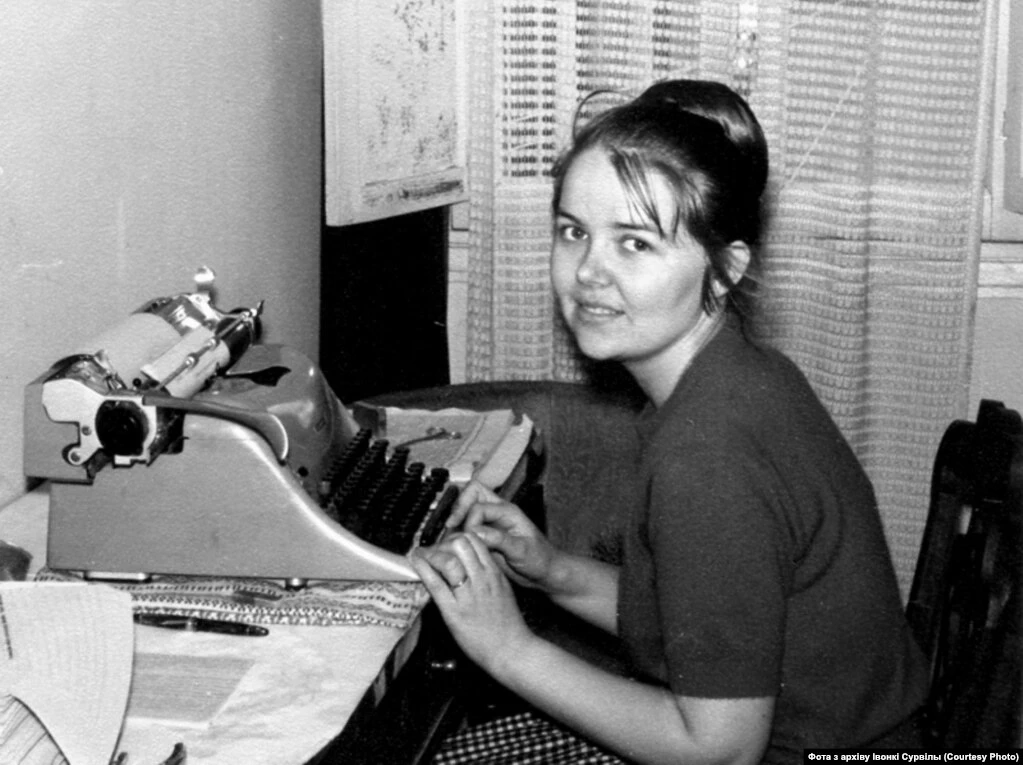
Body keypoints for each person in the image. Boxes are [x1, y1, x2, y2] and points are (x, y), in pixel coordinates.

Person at [410, 79, 929, 765]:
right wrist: (554, 572)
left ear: (725, 267)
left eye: (634, 243)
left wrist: (508, 648)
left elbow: (719, 750)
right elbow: (707, 617)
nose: (588, 271)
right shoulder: (741, 376)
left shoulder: (706, 457)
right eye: (573, 232)